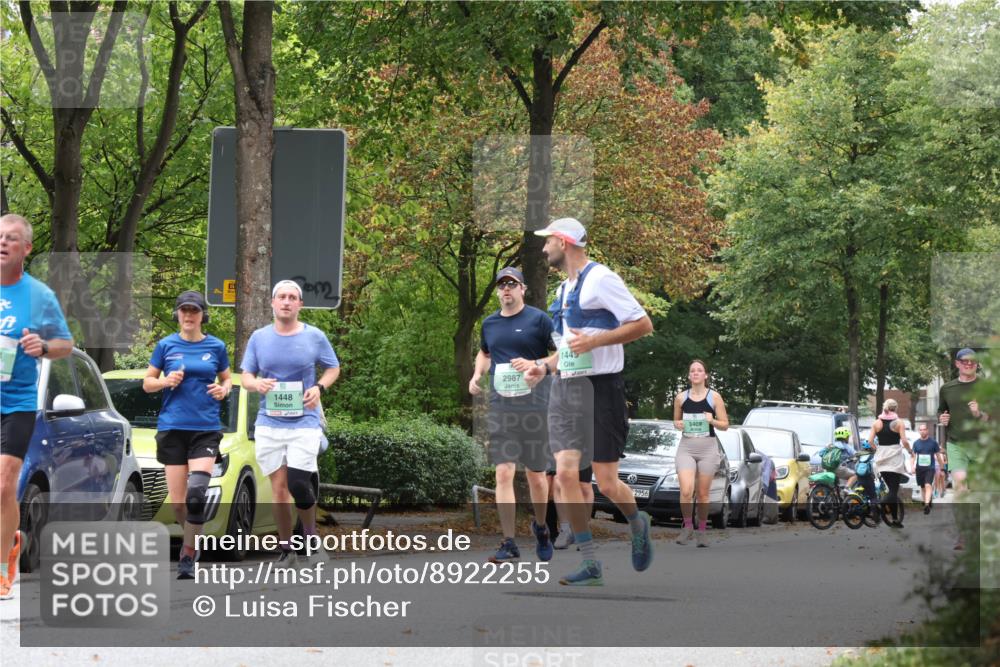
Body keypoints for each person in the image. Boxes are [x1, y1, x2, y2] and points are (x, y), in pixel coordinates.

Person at [524, 217, 655, 586]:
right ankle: (590, 562)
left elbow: (643, 324)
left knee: (607, 481)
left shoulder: (601, 279)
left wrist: (595, 343)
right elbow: (569, 349)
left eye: (548, 240)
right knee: (564, 473)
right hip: (567, 387)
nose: (543, 247)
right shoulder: (564, 290)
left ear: (564, 242)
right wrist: (543, 367)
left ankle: (636, 521)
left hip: (602, 387)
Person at [241, 280, 340, 567]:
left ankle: (310, 540)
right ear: (272, 303)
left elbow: (333, 368)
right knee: (279, 489)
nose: (286, 301)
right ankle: (286, 549)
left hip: (304, 422)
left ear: (300, 305)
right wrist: (257, 384)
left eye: (292, 297)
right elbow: (246, 376)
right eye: (281, 297)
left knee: (299, 482)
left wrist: (319, 388)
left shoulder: (315, 336)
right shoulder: (259, 338)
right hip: (269, 423)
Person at [0, 213, 73, 600]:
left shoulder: (39, 295)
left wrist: (42, 347)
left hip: (17, 402)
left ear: (26, 248)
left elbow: (66, 344)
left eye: (11, 238)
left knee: (4, 483)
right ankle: (9, 540)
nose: (3, 242)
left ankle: (1, 566)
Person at [469, 267, 555, 563]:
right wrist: (477, 374)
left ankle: (542, 527)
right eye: (502, 285)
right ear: (497, 291)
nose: (506, 289)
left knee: (536, 476)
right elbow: (484, 353)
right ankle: (508, 542)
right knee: (503, 471)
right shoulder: (490, 323)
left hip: (535, 405)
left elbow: (562, 354)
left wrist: (535, 363)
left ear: (522, 288)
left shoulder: (540, 320)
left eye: (512, 284)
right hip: (501, 405)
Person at [143, 290, 231, 579]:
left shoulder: (216, 346)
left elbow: (227, 379)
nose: (189, 315)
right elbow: (147, 384)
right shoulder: (165, 346)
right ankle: (194, 535)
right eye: (184, 310)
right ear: (177, 314)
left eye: (194, 311)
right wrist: (165, 381)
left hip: (205, 428)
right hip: (172, 429)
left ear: (203, 315)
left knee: (196, 494)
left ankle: (188, 554)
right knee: (179, 503)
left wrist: (223, 389)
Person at [672, 360, 729, 547]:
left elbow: (725, 425)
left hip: (708, 448)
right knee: (686, 490)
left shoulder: (715, 397)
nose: (696, 373)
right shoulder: (681, 398)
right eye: (692, 371)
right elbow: (676, 421)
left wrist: (712, 421)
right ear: (689, 376)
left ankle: (702, 531)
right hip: (687, 447)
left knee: (703, 494)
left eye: (700, 370)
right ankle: (687, 527)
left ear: (706, 375)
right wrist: (678, 424)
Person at [938, 348, 990, 549]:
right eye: (964, 361)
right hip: (956, 444)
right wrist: (941, 419)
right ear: (957, 364)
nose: (969, 364)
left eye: (973, 361)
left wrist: (979, 413)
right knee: (960, 490)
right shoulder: (947, 389)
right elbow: (941, 412)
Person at [868, 398, 912, 528]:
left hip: (881, 459)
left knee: (890, 491)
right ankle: (878, 505)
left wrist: (878, 450)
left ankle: (894, 520)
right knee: (893, 490)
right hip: (894, 459)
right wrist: (910, 451)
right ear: (896, 408)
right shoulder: (899, 423)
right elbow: (904, 441)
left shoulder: (877, 423)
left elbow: (870, 441)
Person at [909, 422, 943, 515]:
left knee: (928, 485)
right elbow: (913, 456)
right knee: (923, 487)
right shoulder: (916, 443)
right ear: (919, 431)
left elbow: (938, 456)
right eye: (921, 430)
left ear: (927, 431)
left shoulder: (933, 443)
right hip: (919, 469)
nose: (923, 431)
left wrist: (942, 468)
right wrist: (912, 466)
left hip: (930, 468)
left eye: (924, 429)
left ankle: (927, 505)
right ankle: (926, 502)